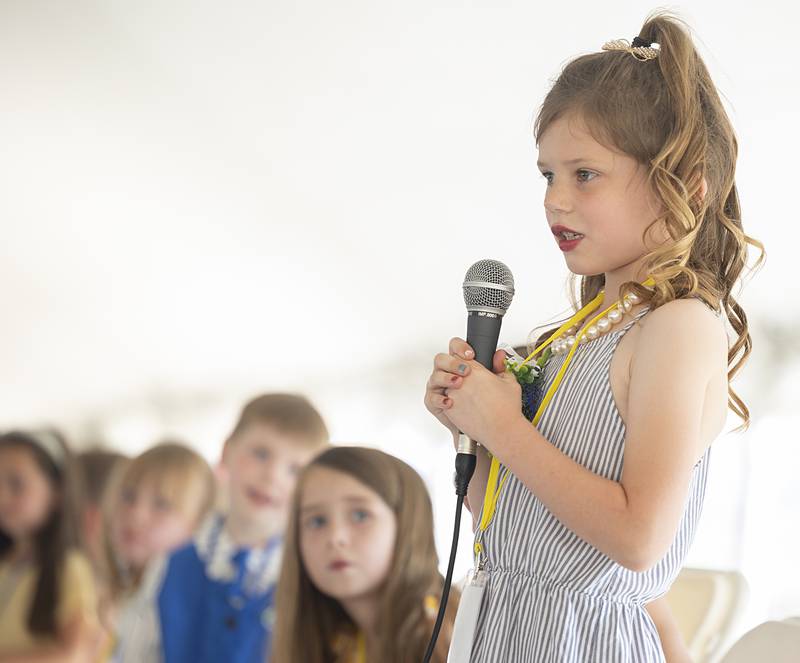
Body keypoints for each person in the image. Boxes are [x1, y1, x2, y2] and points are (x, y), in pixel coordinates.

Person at [424, 12, 763, 662]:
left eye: (585, 174)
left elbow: (639, 537)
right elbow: (521, 527)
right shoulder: (574, 335)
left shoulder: (678, 327)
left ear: (683, 187)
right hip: (510, 631)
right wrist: (471, 427)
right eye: (547, 175)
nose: (554, 199)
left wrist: (506, 428)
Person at [156, 393, 329, 663]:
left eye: (294, 470)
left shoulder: (309, 578)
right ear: (226, 452)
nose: (272, 475)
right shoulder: (170, 561)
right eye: (261, 454)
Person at [271, 446, 458, 663]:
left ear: (406, 525)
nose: (336, 537)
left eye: (360, 515)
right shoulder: (335, 646)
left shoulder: (454, 636)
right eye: (317, 521)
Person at [106, 442, 216, 662]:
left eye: (161, 504)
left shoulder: (189, 603)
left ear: (199, 523)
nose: (136, 515)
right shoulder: (125, 591)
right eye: (128, 496)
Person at [0, 429, 100, 662]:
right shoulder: (5, 563)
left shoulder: (70, 567)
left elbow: (75, 655)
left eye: (16, 484)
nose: (2, 497)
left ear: (58, 491)